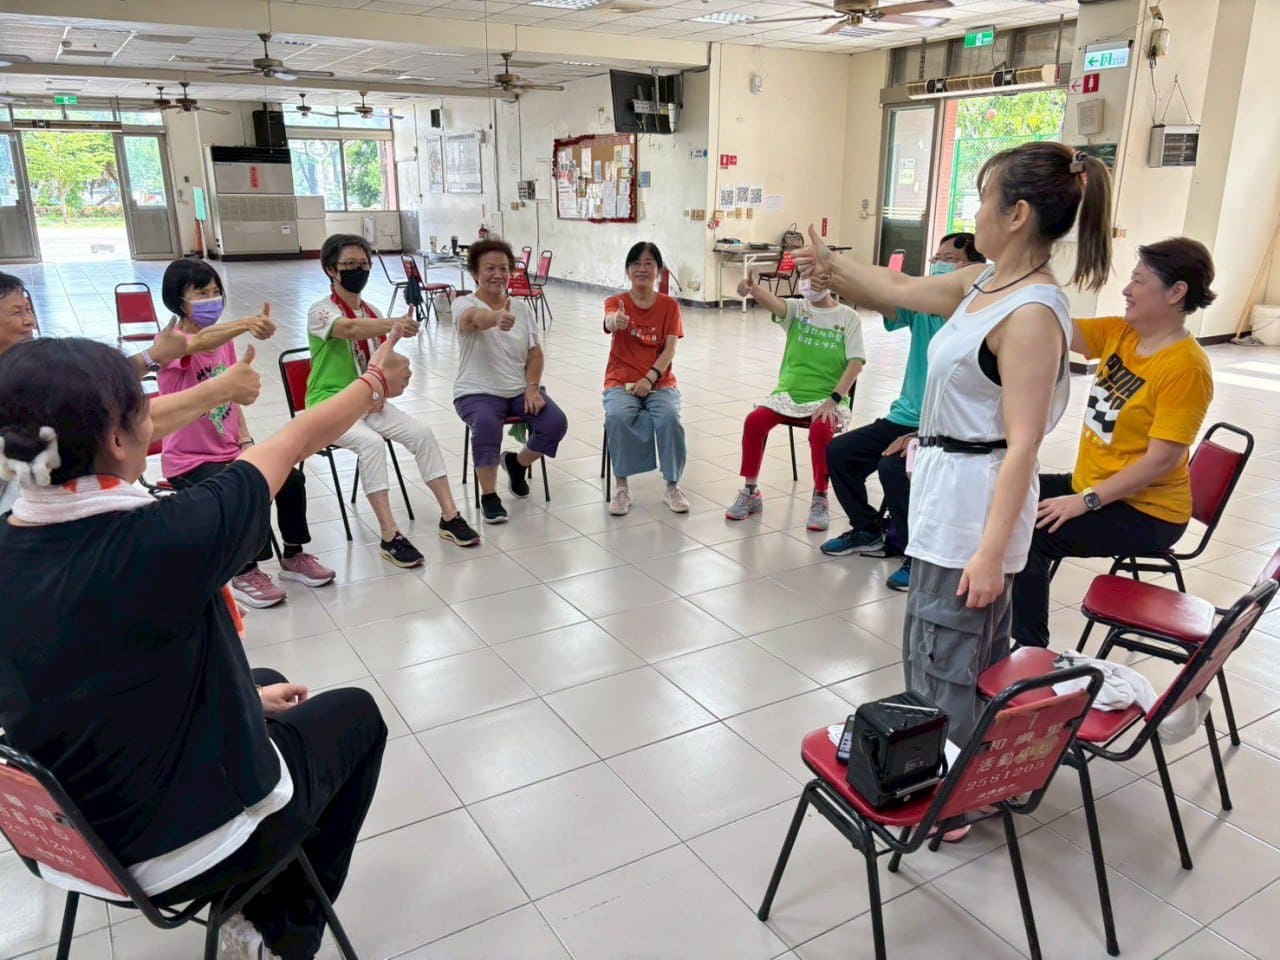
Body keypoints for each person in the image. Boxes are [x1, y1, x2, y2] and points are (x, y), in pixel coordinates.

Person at [0, 328, 411, 959]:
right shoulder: (166, 535)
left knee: (259, 674)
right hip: (181, 849)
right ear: (116, 438)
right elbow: (295, 438)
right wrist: (375, 382)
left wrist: (244, 700)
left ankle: (265, 890)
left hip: (65, 839)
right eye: (139, 410)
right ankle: (282, 930)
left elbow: (87, 667)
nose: (150, 419)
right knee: (357, 715)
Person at [795, 141, 1113, 759]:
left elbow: (1023, 447)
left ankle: (955, 792)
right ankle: (953, 771)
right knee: (937, 647)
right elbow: (902, 287)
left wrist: (991, 554)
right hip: (949, 490)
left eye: (984, 199)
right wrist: (832, 266)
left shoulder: (1030, 313)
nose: (978, 212)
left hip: (976, 509)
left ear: (1017, 214)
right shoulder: (985, 280)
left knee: (950, 656)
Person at [1012, 238, 1216, 647]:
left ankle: (1030, 652)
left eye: (1139, 281)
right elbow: (1057, 326)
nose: (1127, 290)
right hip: (1094, 485)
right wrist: (1027, 275)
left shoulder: (1186, 368)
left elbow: (1162, 461)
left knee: (1031, 536)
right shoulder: (1122, 332)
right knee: (1005, 492)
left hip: (1147, 513)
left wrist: (1084, 500)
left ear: (1176, 293)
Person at [159, 258, 335, 609]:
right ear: (179, 300)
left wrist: (245, 441)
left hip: (228, 450)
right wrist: (244, 323)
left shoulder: (224, 343)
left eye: (215, 292)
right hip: (189, 460)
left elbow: (232, 398)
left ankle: (294, 555)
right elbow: (189, 345)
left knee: (288, 478)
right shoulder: (168, 343)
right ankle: (243, 571)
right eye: (201, 293)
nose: (211, 299)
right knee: (242, 490)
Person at [821, 233, 987, 592]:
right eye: (936, 259)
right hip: (905, 416)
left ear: (972, 270)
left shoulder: (979, 320)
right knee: (840, 452)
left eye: (948, 259)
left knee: (894, 468)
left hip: (947, 426)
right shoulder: (927, 309)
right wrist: (832, 278)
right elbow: (883, 297)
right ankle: (868, 530)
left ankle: (918, 553)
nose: (938, 266)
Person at [0, 269, 240, 514]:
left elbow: (100, 382)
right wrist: (221, 388)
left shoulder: (30, 366)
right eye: (17, 312)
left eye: (28, 310)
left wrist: (153, 356)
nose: (30, 321)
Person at [308, 233, 479, 566]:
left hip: (367, 402)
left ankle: (450, 515)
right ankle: (390, 536)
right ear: (331, 270)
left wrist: (389, 368)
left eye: (364, 264)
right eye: (350, 264)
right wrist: (394, 324)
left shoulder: (369, 309)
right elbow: (351, 330)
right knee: (371, 445)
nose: (360, 270)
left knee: (422, 434)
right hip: (329, 407)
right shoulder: (321, 312)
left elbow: (380, 356)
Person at [725, 270, 865, 531]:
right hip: (788, 394)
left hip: (828, 398)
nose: (809, 283)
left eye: (816, 277)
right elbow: (775, 303)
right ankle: (750, 491)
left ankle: (820, 496)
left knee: (821, 430)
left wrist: (834, 399)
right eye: (804, 277)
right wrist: (753, 289)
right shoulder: (797, 310)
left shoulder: (849, 318)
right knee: (755, 421)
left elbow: (856, 363)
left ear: (830, 280)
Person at [453, 238, 569, 524]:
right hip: (476, 391)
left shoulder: (522, 308)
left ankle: (516, 465)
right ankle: (489, 495)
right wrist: (495, 317)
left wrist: (532, 387)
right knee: (487, 426)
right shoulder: (463, 303)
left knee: (555, 422)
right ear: (475, 272)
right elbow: (473, 320)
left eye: (503, 268)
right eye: (489, 268)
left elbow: (535, 353)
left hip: (518, 389)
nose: (497, 274)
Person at [602, 242, 688, 516]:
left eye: (649, 263)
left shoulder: (669, 306)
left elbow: (670, 349)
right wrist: (615, 321)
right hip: (620, 380)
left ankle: (672, 486)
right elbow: (609, 320)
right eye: (636, 263)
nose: (642, 268)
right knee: (617, 416)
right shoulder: (617, 302)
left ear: (659, 271)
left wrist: (649, 379)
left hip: (659, 382)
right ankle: (622, 488)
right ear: (628, 269)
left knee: (669, 418)